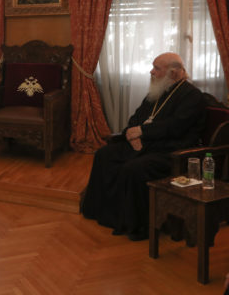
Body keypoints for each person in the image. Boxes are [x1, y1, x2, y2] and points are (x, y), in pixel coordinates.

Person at [81, 53, 205, 241]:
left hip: (169, 150)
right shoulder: (157, 92)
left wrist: (143, 132)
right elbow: (135, 118)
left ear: (173, 73)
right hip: (144, 144)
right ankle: (103, 213)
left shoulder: (192, 96)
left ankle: (135, 225)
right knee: (104, 154)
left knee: (133, 169)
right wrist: (132, 136)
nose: (151, 72)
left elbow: (176, 126)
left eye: (157, 68)